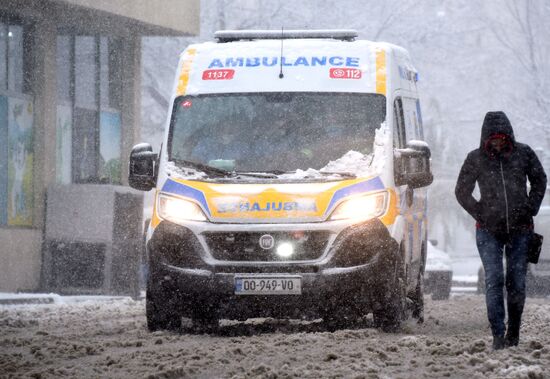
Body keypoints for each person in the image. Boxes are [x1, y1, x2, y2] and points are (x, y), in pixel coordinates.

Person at [455, 111, 547, 350]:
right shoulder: (475, 158)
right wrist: (480, 213)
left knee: (516, 282)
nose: (497, 143)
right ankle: (498, 334)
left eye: (501, 138)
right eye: (493, 139)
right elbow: (461, 191)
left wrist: (530, 208)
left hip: (521, 229)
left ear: (509, 137)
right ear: (485, 139)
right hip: (488, 230)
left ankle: (513, 333)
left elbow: (540, 180)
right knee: (494, 279)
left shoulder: (524, 153)